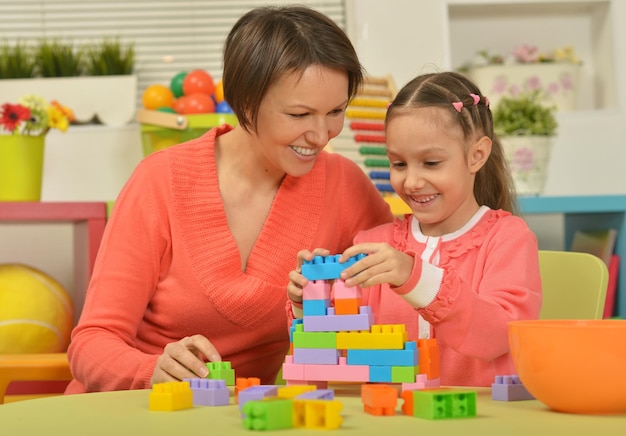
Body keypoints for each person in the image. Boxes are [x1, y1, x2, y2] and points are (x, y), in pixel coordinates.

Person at [65, 5, 393, 394]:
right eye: (299, 114)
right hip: (134, 408)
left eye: (336, 111)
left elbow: (406, 291)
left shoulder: (346, 186)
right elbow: (91, 343)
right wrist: (152, 370)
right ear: (246, 103)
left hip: (240, 417)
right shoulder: (159, 181)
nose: (322, 135)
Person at [287, 71, 542, 387]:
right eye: (399, 164)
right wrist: (310, 303)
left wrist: (415, 276)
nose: (411, 182)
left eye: (431, 163)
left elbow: (500, 336)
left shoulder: (507, 239)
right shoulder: (373, 245)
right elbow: (340, 352)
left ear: (477, 155)